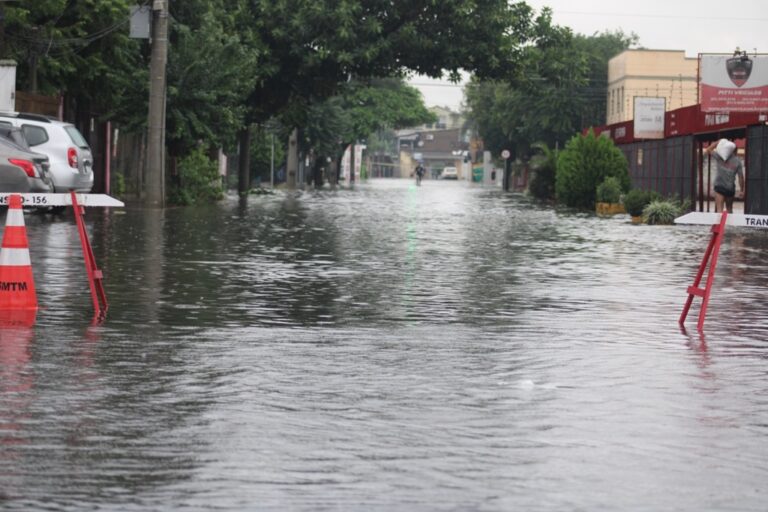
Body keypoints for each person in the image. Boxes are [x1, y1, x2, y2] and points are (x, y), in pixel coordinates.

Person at [705, 138, 744, 213]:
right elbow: (741, 177)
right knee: (729, 209)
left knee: (719, 210)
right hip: (730, 188)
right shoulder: (738, 161)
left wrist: (717, 142)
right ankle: (730, 224)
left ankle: (720, 224)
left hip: (719, 186)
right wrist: (742, 190)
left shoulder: (720, 157)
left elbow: (708, 150)